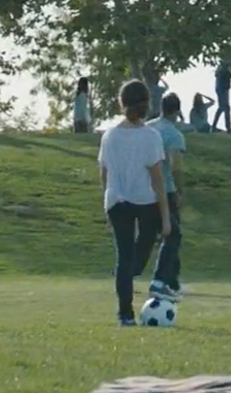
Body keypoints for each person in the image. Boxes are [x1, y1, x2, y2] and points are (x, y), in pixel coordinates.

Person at [97, 80, 172, 327]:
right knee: (137, 251)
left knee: (125, 257)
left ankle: (125, 311)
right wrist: (166, 217)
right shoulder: (150, 137)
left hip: (117, 201)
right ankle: (127, 297)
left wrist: (105, 201)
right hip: (143, 200)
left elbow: (104, 173)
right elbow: (158, 179)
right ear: (147, 104)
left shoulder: (109, 136)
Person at [146, 92, 188, 302]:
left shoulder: (148, 127)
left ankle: (173, 281)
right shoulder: (173, 134)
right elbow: (175, 167)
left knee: (169, 235)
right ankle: (161, 280)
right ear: (177, 110)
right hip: (166, 190)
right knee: (173, 234)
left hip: (144, 189)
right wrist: (181, 191)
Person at [213, 60, 231, 133]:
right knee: (225, 107)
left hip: (223, 89)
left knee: (223, 108)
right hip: (222, 89)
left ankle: (215, 126)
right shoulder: (223, 70)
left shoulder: (220, 70)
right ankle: (228, 128)